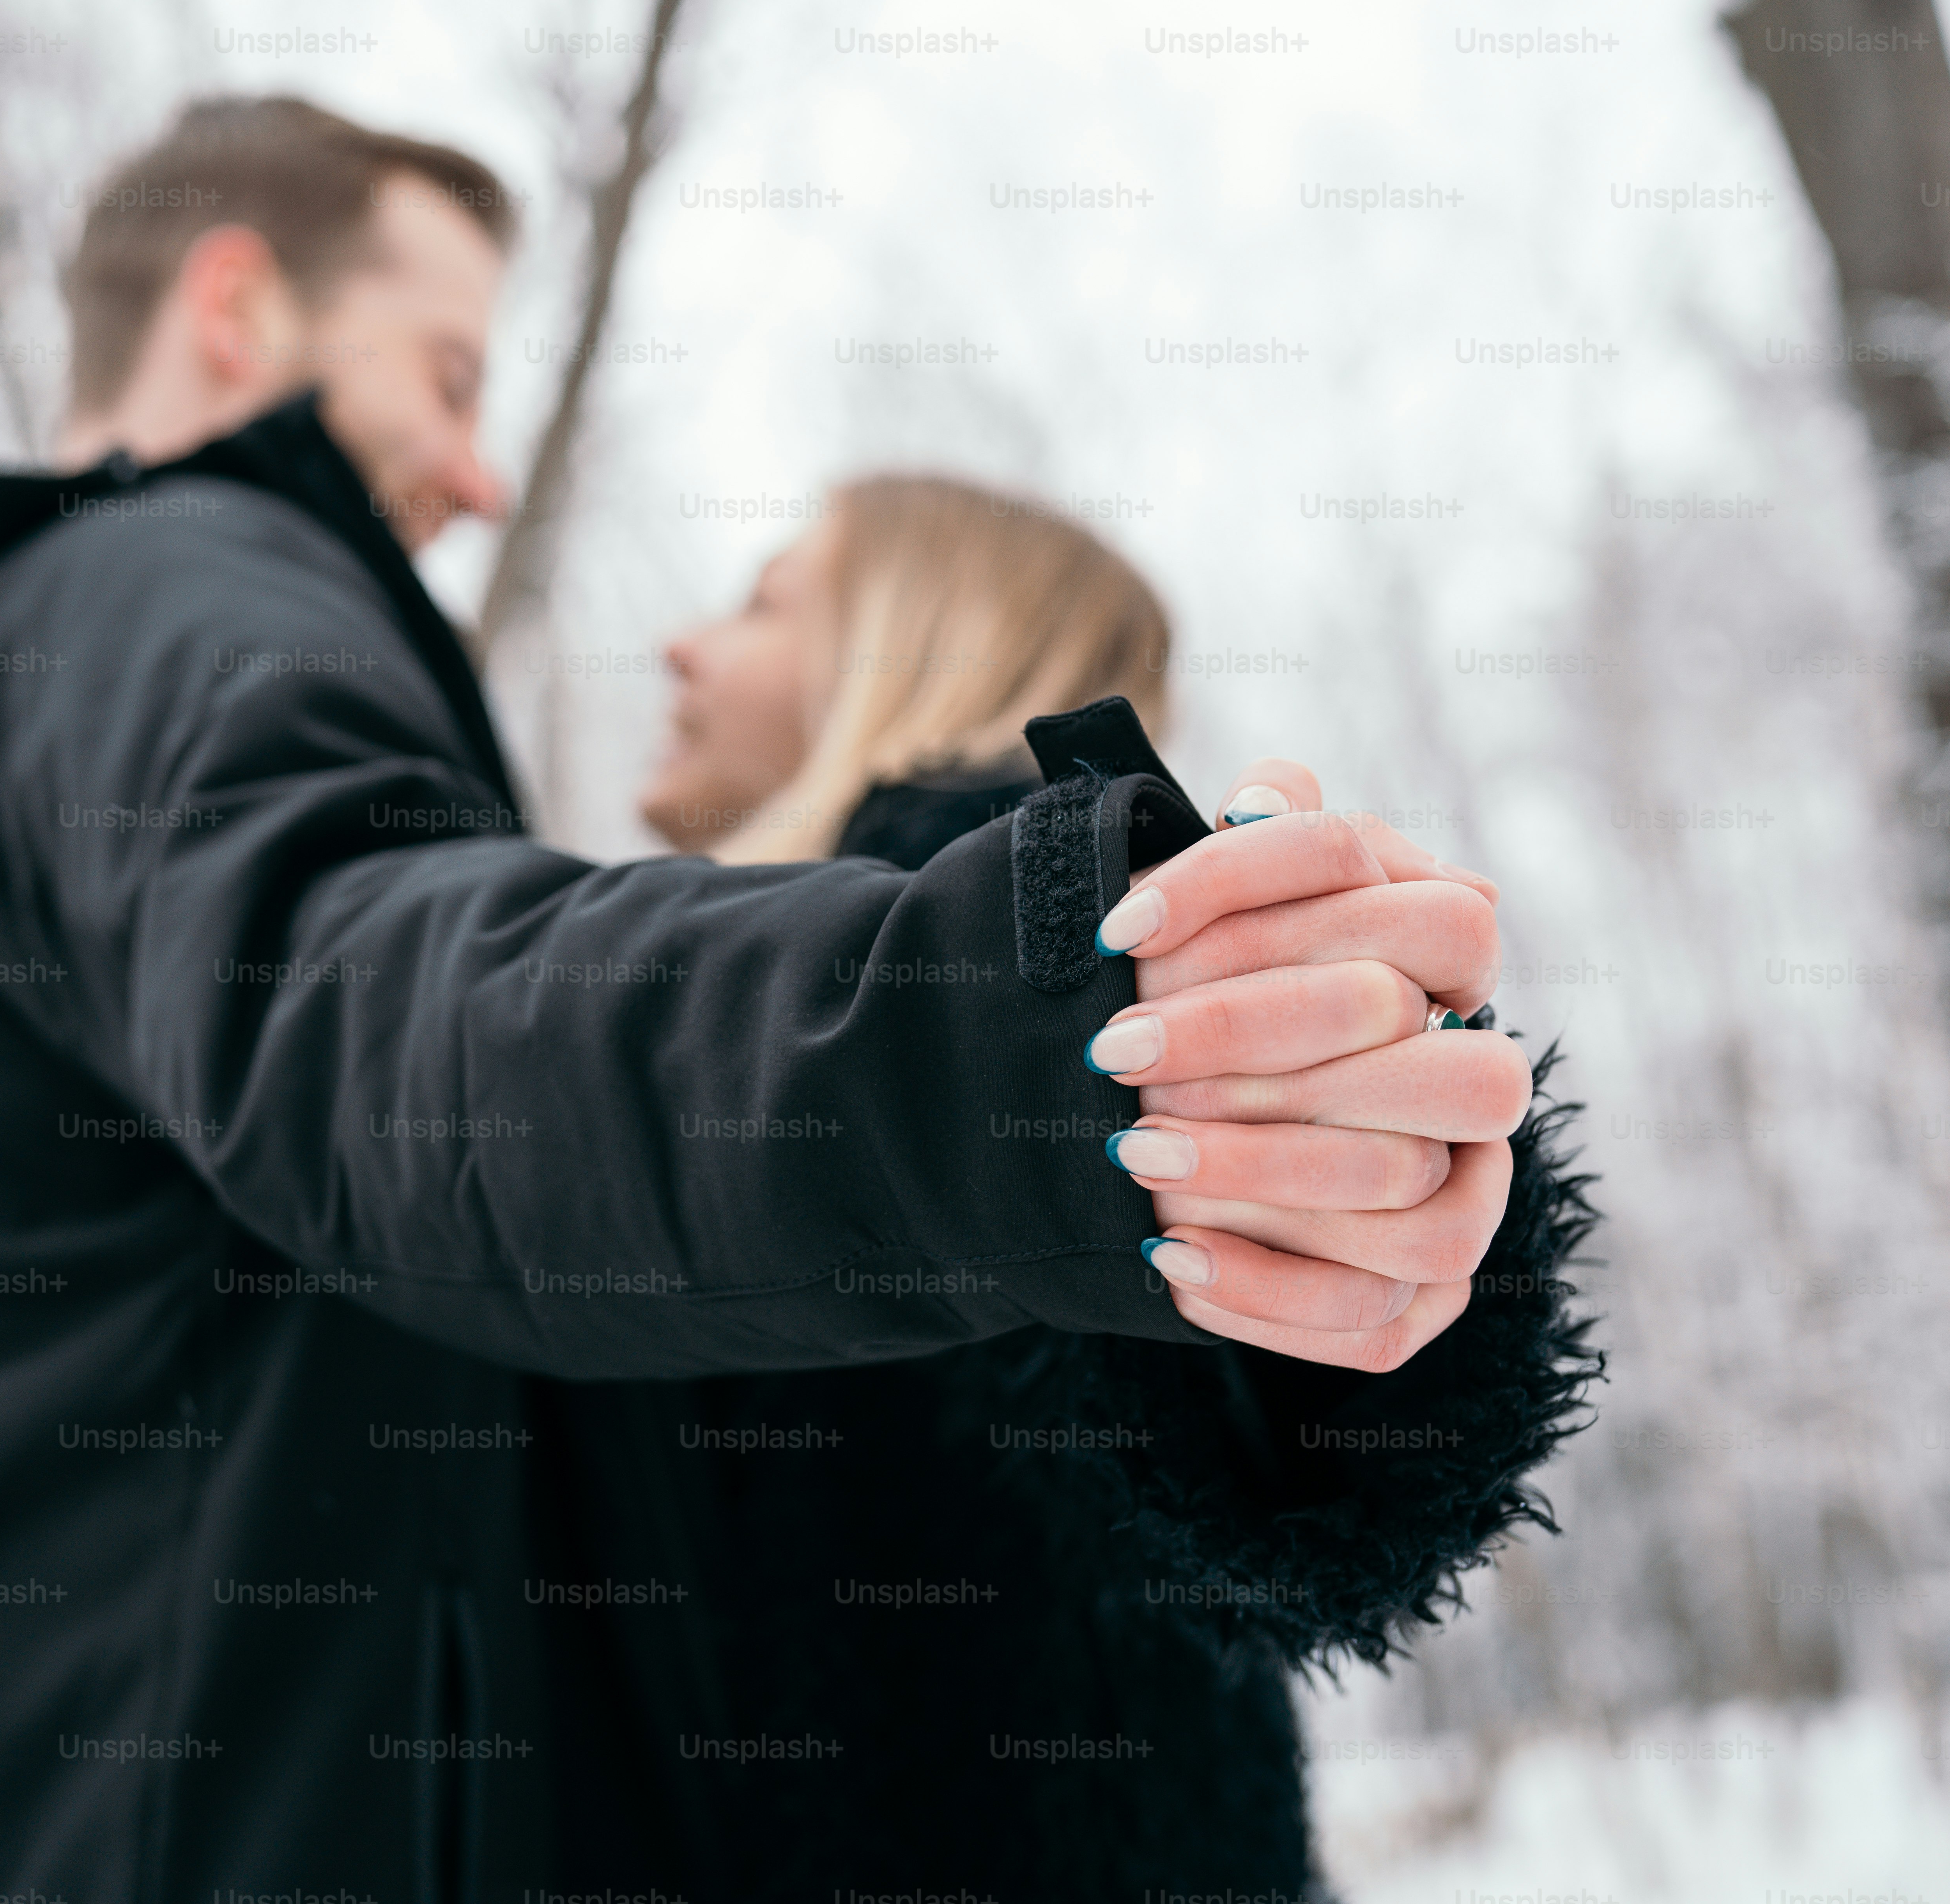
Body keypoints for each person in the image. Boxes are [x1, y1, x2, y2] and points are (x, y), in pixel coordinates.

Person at [0, 95, 1575, 1899]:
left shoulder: (22, 685)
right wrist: (1011, 1049)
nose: (479, 473)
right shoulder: (172, 586)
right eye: (447, 375)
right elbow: (395, 1020)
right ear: (235, 310)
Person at [639, 478, 1600, 1888]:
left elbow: (1291, 1455)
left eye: (764, 603)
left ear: (922, 644)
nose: (680, 646)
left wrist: (1364, 1160)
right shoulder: (807, 988)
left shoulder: (1018, 962)